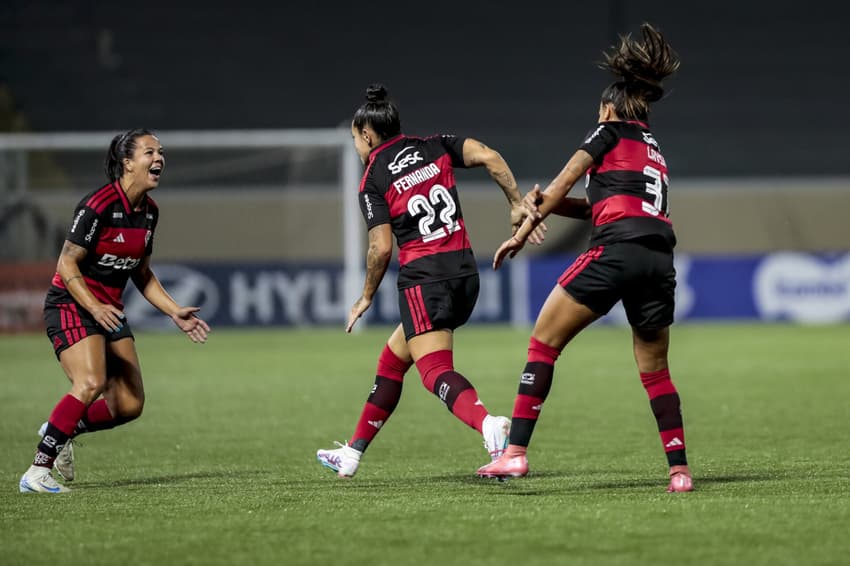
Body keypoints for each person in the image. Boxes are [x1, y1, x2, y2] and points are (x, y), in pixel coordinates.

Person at [476, 23, 694, 492]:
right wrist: (553, 204)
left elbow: (565, 180)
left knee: (542, 343)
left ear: (609, 107)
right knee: (655, 370)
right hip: (658, 259)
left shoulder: (606, 130)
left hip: (616, 251)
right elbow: (599, 203)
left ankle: (514, 454)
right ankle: (679, 471)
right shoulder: (652, 149)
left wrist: (525, 226)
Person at [316, 84, 540, 478]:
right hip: (466, 274)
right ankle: (351, 453)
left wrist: (365, 296)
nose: (355, 146)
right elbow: (490, 156)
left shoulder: (373, 179)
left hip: (425, 280)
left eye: (355, 138)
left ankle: (488, 425)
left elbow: (380, 248)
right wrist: (515, 202)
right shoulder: (436, 145)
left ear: (367, 134)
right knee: (392, 359)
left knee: (434, 371)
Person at [19, 128, 210, 494]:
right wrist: (93, 304)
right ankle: (36, 472)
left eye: (161, 152)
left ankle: (61, 428)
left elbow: (143, 273)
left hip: (109, 310)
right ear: (127, 163)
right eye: (149, 152)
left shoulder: (149, 214)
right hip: (72, 306)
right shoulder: (97, 207)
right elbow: (66, 265)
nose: (159, 159)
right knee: (89, 383)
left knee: (129, 403)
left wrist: (173, 311)